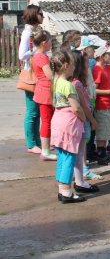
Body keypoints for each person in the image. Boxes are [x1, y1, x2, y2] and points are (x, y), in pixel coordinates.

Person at [50, 51, 86, 203]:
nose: (73, 67)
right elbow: (76, 108)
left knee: (62, 157)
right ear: (65, 66)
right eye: (72, 64)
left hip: (58, 121)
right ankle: (67, 193)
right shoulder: (68, 85)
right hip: (69, 125)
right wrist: (84, 118)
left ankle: (62, 189)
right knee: (69, 158)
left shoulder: (55, 81)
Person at [69, 51, 100, 193]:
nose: (89, 66)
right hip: (82, 120)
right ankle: (79, 182)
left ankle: (78, 180)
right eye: (87, 64)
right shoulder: (78, 84)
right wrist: (93, 120)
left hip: (79, 121)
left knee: (79, 153)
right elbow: (84, 107)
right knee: (79, 153)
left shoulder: (75, 82)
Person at [18, 5, 43, 155]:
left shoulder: (33, 32)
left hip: (36, 74)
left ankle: (38, 141)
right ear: (34, 15)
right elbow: (22, 55)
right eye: (41, 14)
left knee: (37, 111)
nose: (43, 17)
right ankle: (31, 143)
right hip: (31, 75)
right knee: (32, 111)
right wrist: (36, 49)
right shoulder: (27, 33)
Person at [32, 29, 57, 161]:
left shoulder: (40, 55)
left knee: (47, 120)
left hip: (44, 91)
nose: (51, 43)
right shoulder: (41, 57)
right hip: (45, 92)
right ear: (43, 43)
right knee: (46, 121)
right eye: (50, 41)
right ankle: (45, 151)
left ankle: (47, 147)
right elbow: (50, 76)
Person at [92, 45, 110, 165]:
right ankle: (101, 156)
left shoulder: (106, 68)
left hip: (109, 105)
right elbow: (94, 90)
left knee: (107, 132)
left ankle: (104, 153)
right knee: (102, 133)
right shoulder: (97, 70)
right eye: (108, 54)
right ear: (102, 56)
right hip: (102, 106)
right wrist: (109, 92)